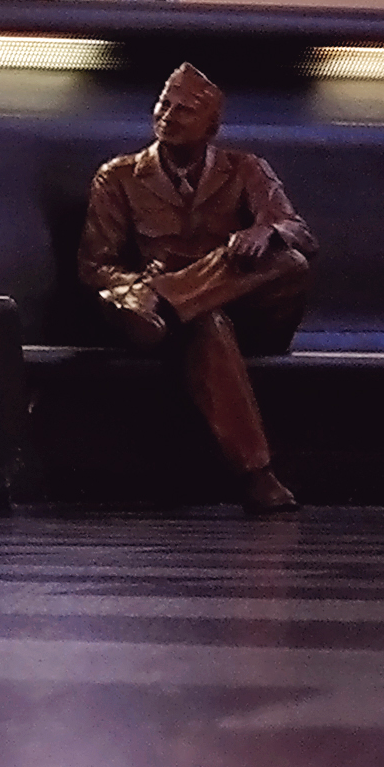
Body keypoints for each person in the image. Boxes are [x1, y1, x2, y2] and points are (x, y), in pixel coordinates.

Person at [76, 60, 314, 515]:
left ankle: (171, 297)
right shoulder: (118, 177)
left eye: (184, 111)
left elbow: (301, 234)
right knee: (205, 321)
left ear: (212, 126)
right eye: (164, 104)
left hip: (250, 315)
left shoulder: (246, 169)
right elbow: (96, 267)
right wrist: (134, 287)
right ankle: (256, 474)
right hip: (183, 327)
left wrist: (266, 232)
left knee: (291, 261)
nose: (167, 116)